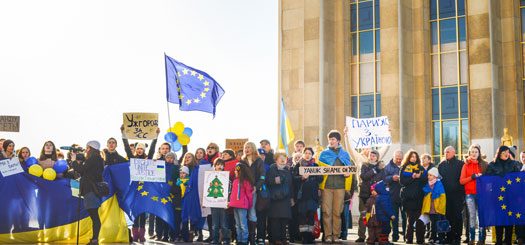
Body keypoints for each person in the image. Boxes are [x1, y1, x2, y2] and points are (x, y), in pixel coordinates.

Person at [121, 125, 159, 242]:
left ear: (143, 150)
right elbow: (127, 148)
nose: (139, 150)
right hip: (133, 189)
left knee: (142, 212)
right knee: (134, 212)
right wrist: (123, 134)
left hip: (144, 189)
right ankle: (135, 234)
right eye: (138, 148)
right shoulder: (132, 159)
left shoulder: (148, 160)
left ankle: (142, 234)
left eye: (141, 149)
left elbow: (152, 150)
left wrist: (156, 136)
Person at [318, 130, 353, 243]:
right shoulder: (323, 154)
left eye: (333, 139)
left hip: (340, 187)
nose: (331, 141)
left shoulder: (345, 154)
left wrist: (348, 174)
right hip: (326, 187)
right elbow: (318, 170)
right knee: (326, 212)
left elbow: (350, 169)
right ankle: (328, 235)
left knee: (337, 212)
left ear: (338, 140)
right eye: (329, 139)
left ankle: (336, 235)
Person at [485, 146, 521, 245]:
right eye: (505, 151)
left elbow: (519, 178)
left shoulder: (514, 164)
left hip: (510, 196)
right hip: (497, 197)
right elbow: (487, 181)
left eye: (508, 152)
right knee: (499, 219)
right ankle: (499, 241)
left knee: (509, 219)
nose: (507, 153)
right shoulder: (492, 165)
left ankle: (508, 241)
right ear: (500, 153)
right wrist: (488, 194)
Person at [70, 140, 104, 245]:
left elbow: (81, 169)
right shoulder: (97, 159)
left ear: (91, 149)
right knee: (94, 216)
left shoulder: (94, 158)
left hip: (90, 190)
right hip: (92, 190)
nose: (86, 150)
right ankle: (95, 239)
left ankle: (95, 239)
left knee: (94, 216)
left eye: (88, 148)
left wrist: (74, 161)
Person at [292, 147, 322, 244]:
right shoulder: (298, 166)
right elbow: (293, 178)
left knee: (311, 217)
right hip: (302, 197)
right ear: (303, 154)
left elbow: (320, 179)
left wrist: (315, 174)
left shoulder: (316, 165)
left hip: (312, 197)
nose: (307, 154)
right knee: (302, 217)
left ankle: (310, 237)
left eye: (309, 153)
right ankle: (304, 237)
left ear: (312, 155)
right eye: (306, 153)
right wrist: (302, 178)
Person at [460, 145, 488, 245]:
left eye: (476, 152)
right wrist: (472, 177)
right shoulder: (465, 165)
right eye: (472, 152)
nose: (474, 154)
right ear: (469, 153)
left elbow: (489, 180)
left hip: (481, 194)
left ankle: (481, 239)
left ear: (479, 153)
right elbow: (462, 181)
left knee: (481, 216)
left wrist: (482, 178)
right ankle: (472, 239)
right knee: (472, 217)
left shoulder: (484, 164)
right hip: (470, 195)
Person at [438, 146, 465, 245]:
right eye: (445, 152)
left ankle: (457, 237)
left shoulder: (461, 164)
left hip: (457, 195)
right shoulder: (441, 165)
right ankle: (449, 237)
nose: (446, 153)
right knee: (448, 216)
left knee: (457, 216)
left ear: (454, 152)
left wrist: (462, 195)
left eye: (448, 152)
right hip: (446, 196)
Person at [241, 142, 266, 245]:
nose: (247, 149)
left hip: (253, 190)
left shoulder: (259, 160)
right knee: (243, 214)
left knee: (252, 213)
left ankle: (252, 238)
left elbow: (262, 176)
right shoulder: (242, 161)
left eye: (249, 147)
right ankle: (245, 237)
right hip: (243, 191)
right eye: (245, 147)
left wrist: (257, 187)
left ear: (253, 149)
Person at [266, 151, 293, 245]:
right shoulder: (272, 169)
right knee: (275, 220)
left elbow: (291, 185)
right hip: (275, 199)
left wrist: (292, 198)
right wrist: (277, 180)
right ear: (276, 159)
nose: (282, 160)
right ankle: (276, 239)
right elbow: (269, 181)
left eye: (284, 158)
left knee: (284, 220)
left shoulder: (288, 170)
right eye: (280, 158)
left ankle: (284, 238)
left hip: (286, 199)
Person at [400, 150, 427, 244]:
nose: (413, 158)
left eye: (415, 157)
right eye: (412, 156)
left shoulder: (421, 167)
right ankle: (409, 239)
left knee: (420, 220)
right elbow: (402, 182)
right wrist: (412, 177)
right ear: (408, 158)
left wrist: (419, 177)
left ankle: (420, 239)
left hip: (419, 197)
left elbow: (425, 180)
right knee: (410, 220)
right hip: (408, 198)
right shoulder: (404, 168)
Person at [198, 143, 220, 242]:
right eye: (208, 148)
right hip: (205, 190)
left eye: (212, 148)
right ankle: (211, 235)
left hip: (217, 191)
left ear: (216, 150)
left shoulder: (219, 160)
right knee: (209, 215)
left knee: (215, 215)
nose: (210, 149)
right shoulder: (203, 161)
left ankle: (217, 236)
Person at [229, 163, 255, 245]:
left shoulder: (246, 182)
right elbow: (233, 194)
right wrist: (230, 203)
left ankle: (244, 240)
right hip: (235, 205)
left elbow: (249, 195)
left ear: (241, 172)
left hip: (242, 206)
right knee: (237, 224)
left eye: (237, 171)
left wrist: (249, 204)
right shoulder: (235, 181)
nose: (235, 172)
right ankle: (239, 239)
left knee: (243, 224)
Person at [422, 168, 446, 244]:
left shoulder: (439, 184)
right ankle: (433, 237)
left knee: (439, 223)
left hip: (437, 208)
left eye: (430, 175)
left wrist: (441, 207)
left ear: (435, 176)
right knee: (432, 224)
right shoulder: (427, 184)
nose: (428, 176)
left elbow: (442, 196)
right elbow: (425, 191)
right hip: (431, 208)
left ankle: (441, 238)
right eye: (428, 175)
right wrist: (429, 193)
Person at [384, 150, 404, 242]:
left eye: (400, 159)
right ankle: (395, 235)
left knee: (405, 217)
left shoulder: (405, 166)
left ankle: (406, 235)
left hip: (404, 196)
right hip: (393, 195)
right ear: (393, 157)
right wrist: (392, 178)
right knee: (394, 217)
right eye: (397, 159)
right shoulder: (388, 167)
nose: (399, 160)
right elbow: (384, 179)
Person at [209, 158, 230, 245]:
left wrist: (228, 201)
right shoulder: (210, 177)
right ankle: (215, 239)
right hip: (213, 204)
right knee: (215, 224)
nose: (220, 166)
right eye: (217, 164)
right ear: (214, 166)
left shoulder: (226, 177)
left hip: (223, 203)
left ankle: (226, 239)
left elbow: (229, 190)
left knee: (224, 223)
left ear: (224, 166)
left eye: (221, 165)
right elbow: (207, 189)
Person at [173, 165, 190, 242]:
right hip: (178, 205)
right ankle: (176, 236)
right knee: (177, 221)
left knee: (185, 222)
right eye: (180, 173)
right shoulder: (177, 182)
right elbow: (173, 191)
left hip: (186, 205)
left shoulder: (189, 182)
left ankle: (185, 237)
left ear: (187, 174)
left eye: (183, 173)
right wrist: (179, 186)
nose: (182, 175)